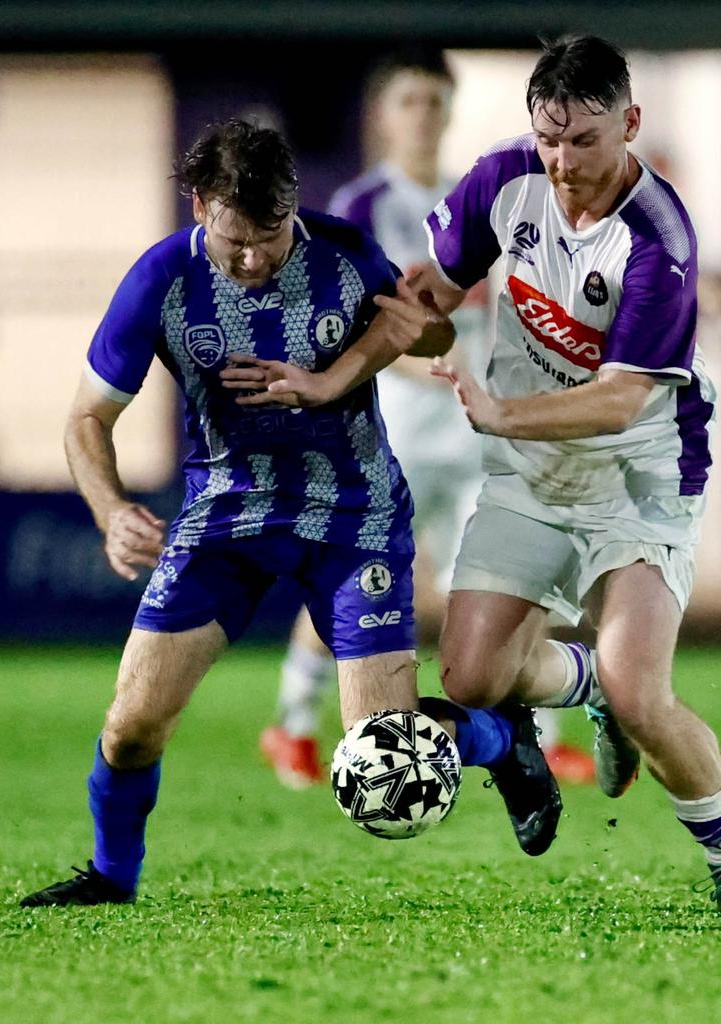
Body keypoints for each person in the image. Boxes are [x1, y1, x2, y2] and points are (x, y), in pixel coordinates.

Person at [223, 36, 721, 912]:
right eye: (550, 140)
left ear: (631, 124)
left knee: (645, 694)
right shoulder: (502, 182)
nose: (563, 163)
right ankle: (583, 687)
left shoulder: (660, 239)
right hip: (528, 470)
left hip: (639, 476)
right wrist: (340, 364)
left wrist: (498, 413)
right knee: (472, 681)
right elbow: (430, 306)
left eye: (586, 143)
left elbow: (615, 402)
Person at [20, 120, 561, 908]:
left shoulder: (344, 254)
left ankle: (503, 739)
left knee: (385, 754)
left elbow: (424, 333)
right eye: (235, 238)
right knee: (132, 726)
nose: (253, 257)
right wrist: (110, 512)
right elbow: (84, 420)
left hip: (355, 519)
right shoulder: (161, 281)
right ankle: (112, 877)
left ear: (292, 207)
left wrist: (428, 327)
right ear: (199, 203)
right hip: (225, 521)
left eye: (269, 236)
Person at [259, 50, 594, 790]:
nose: (424, 116)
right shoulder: (358, 206)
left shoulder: (479, 201)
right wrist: (424, 370)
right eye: (410, 101)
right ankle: (291, 723)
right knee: (368, 580)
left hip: (480, 431)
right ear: (384, 113)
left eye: (436, 101)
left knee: (517, 577)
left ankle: (537, 736)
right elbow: (338, 327)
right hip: (395, 429)